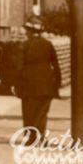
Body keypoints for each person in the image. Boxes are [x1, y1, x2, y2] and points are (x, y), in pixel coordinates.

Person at [16, 16, 61, 145]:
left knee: (28, 111)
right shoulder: (48, 44)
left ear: (29, 31)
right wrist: (57, 83)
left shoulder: (24, 45)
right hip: (46, 83)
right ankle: (41, 137)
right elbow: (56, 65)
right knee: (42, 112)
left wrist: (16, 84)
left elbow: (19, 67)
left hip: (28, 83)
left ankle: (30, 138)